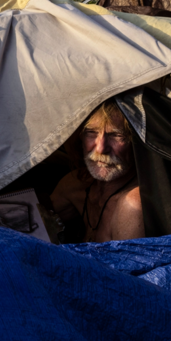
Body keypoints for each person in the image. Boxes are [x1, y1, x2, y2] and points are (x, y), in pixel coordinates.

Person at [50, 100, 144, 242]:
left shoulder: (131, 204)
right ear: (80, 137)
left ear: (135, 142)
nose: (101, 148)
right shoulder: (76, 183)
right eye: (91, 133)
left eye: (117, 135)